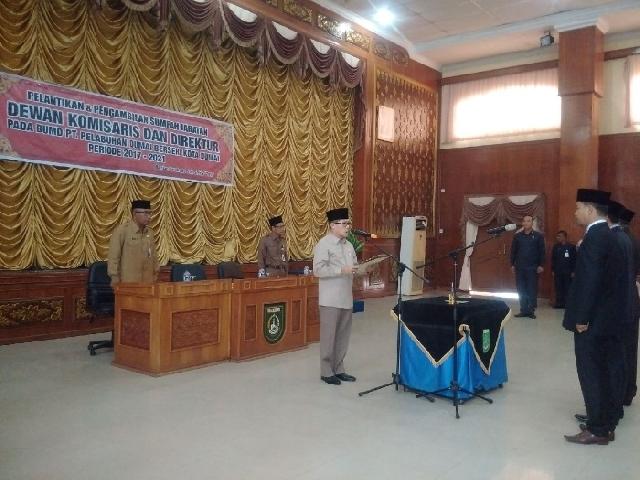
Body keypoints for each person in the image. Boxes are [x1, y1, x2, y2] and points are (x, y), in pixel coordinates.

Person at [563, 189, 630, 446]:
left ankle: (597, 429)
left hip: (593, 322)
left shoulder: (595, 237)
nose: (575, 212)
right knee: (606, 370)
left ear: (591, 210)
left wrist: (582, 318)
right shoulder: (612, 235)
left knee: (591, 372)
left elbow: (589, 282)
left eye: (578, 207)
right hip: (608, 318)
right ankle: (605, 422)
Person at [313, 208, 359, 385]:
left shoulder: (348, 245)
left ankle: (339, 368)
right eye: (344, 223)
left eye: (348, 223)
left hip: (346, 297)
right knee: (329, 336)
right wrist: (341, 270)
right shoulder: (324, 244)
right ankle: (326, 371)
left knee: (342, 336)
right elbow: (318, 270)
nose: (347, 227)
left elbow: (353, 266)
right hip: (330, 299)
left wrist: (362, 269)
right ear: (333, 225)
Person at [107, 200, 159, 287]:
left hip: (148, 282)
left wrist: (156, 272)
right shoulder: (122, 231)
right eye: (146, 213)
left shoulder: (149, 232)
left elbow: (153, 255)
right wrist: (114, 277)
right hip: (128, 283)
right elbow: (114, 256)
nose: (149, 216)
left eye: (150, 213)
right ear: (134, 214)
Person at [618, 206, 640, 406]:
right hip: (633, 299)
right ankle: (628, 391)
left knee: (619, 349)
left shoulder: (619, 241)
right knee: (630, 347)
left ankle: (620, 391)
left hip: (619, 301)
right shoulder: (634, 241)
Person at [510, 215, 545, 318]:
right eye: (524, 221)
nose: (526, 223)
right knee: (521, 289)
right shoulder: (517, 236)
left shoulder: (538, 236)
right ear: (522, 223)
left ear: (532, 223)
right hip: (520, 267)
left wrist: (541, 265)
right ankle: (523, 310)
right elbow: (513, 251)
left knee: (531, 289)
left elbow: (542, 251)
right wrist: (512, 264)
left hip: (532, 267)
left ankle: (531, 311)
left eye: (528, 221)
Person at [551, 230, 576, 308]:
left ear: (564, 237)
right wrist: (553, 269)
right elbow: (553, 259)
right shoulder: (556, 247)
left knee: (567, 287)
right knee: (558, 287)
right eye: (557, 236)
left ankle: (567, 303)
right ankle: (559, 303)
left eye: (560, 236)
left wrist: (573, 271)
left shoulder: (571, 247)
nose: (558, 238)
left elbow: (574, 259)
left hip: (568, 271)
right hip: (558, 271)